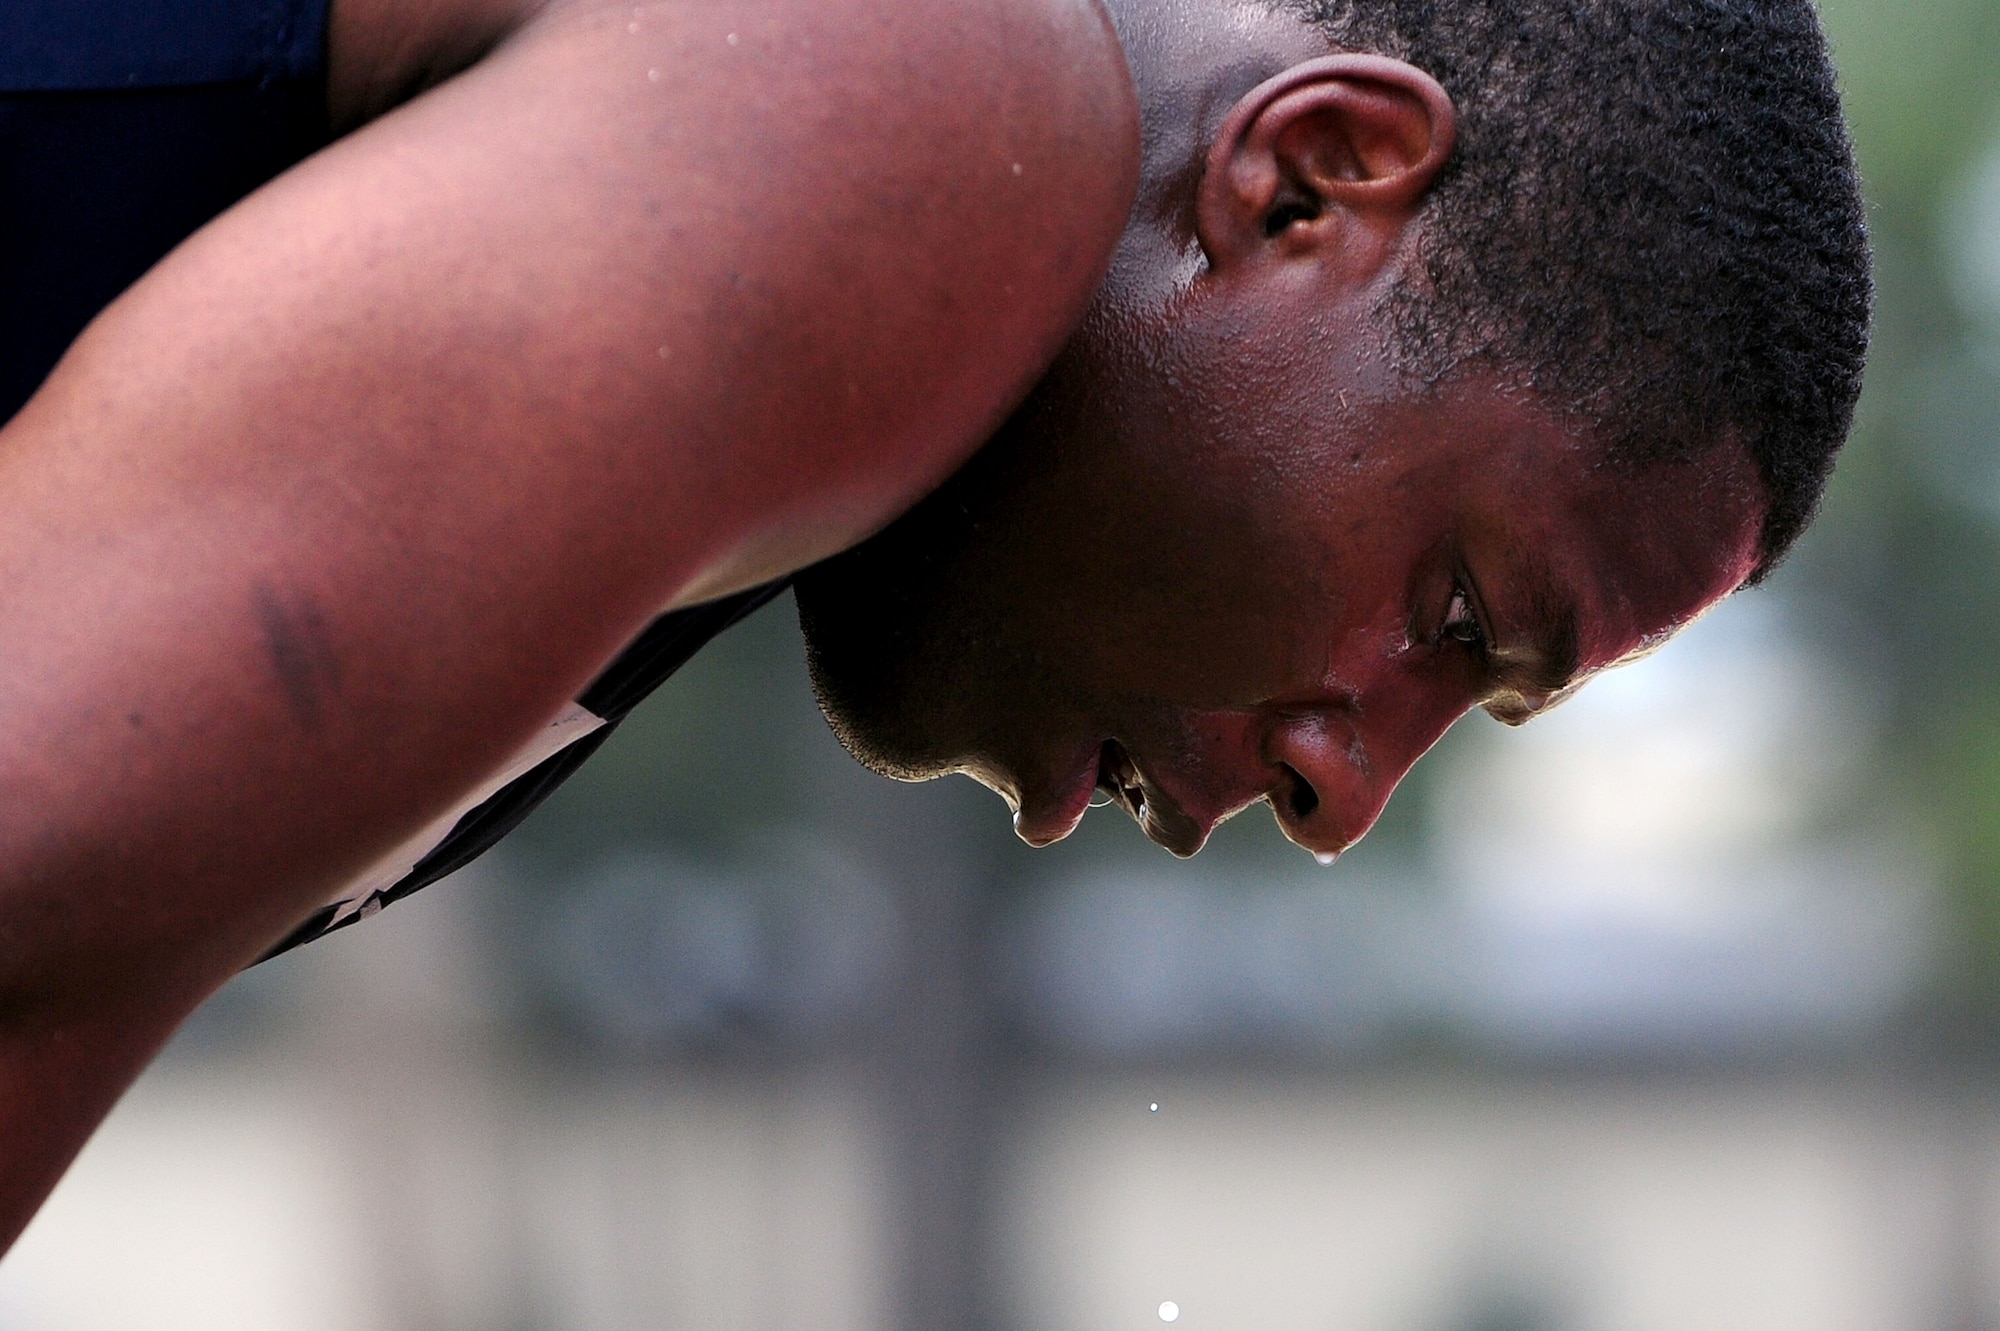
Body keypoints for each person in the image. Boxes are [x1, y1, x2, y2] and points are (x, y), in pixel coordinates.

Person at [0, 0, 1868, 1254]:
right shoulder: (930, 97)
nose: (1342, 792)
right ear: (1306, 182)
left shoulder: (727, 393)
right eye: (1454, 619)